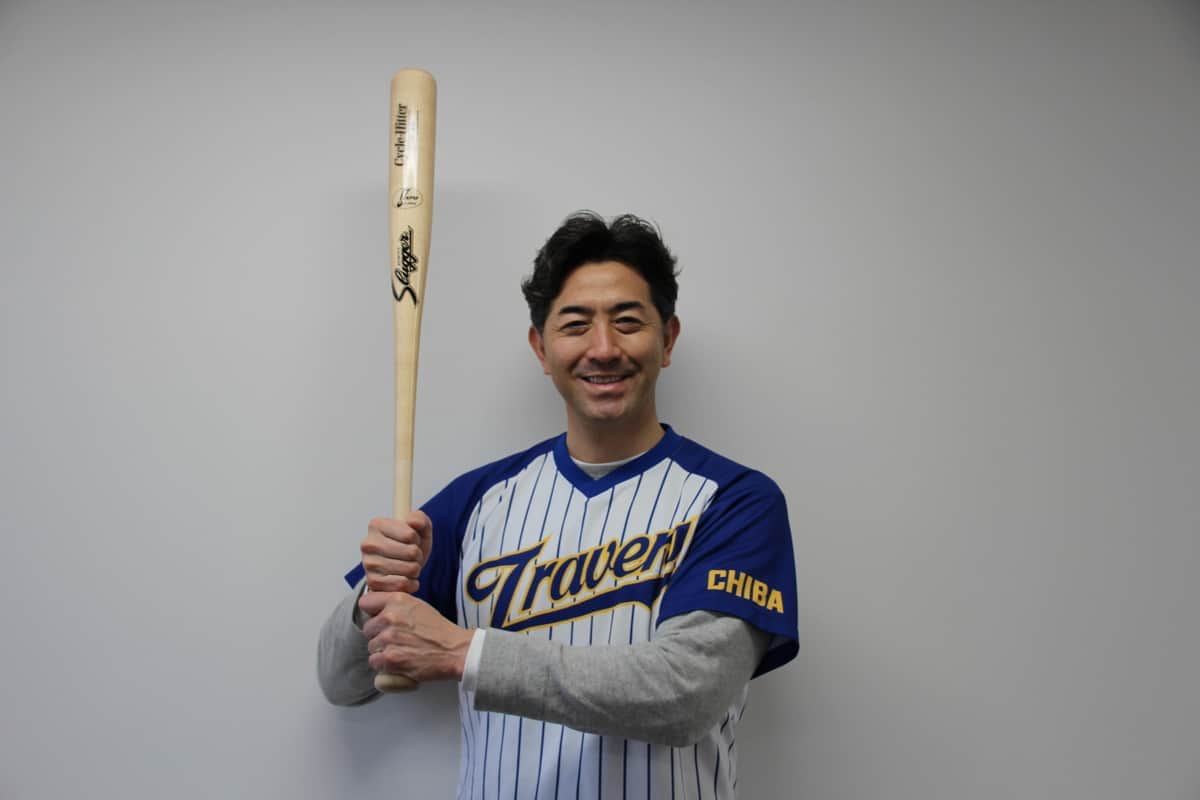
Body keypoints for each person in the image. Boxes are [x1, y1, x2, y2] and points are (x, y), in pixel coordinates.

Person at [318, 211, 799, 799]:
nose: (604, 349)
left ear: (668, 339)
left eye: (628, 322)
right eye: (575, 325)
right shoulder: (477, 501)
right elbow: (340, 681)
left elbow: (687, 694)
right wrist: (376, 595)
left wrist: (462, 652)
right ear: (541, 348)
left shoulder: (735, 501)